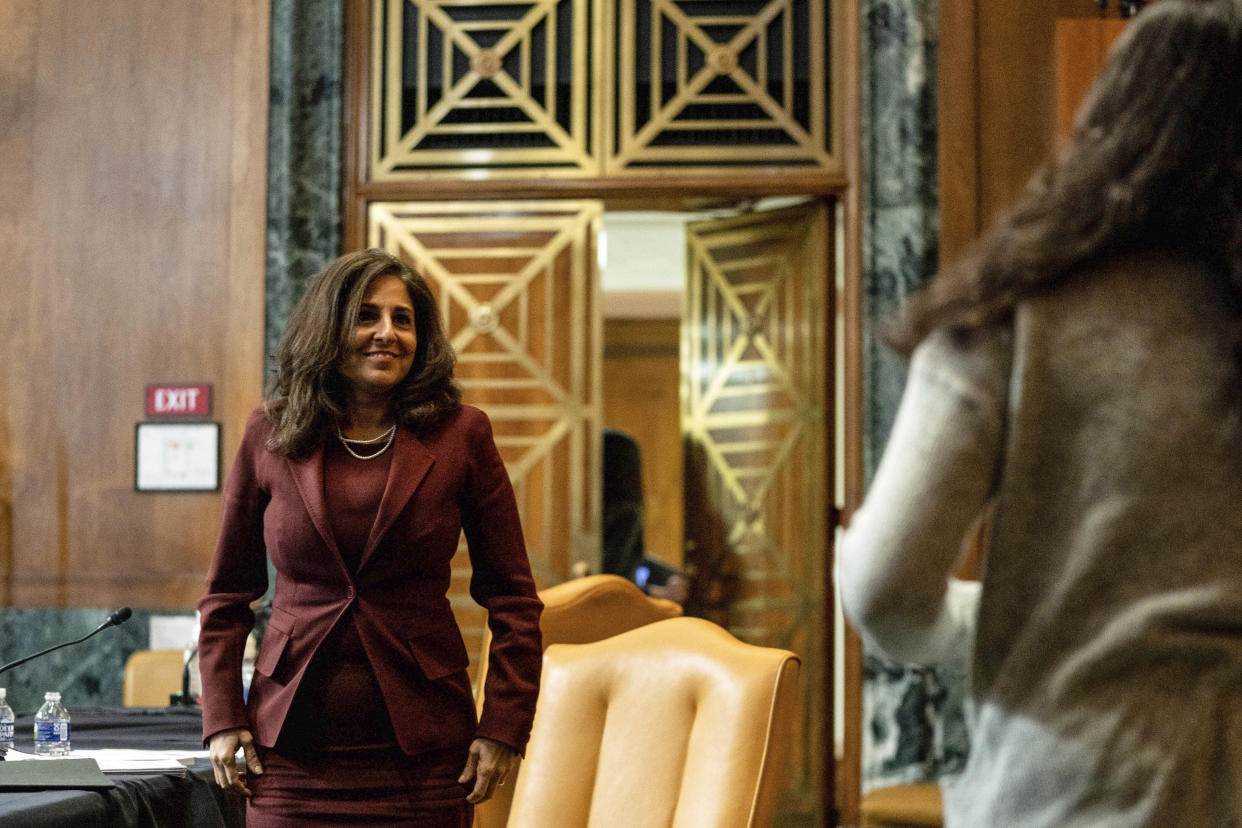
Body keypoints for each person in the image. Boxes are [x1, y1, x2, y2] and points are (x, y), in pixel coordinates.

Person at [839, 1, 1242, 825]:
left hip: (1071, 791)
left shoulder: (1014, 310)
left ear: (1110, 122)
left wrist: (979, 619)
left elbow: (884, 591)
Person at [197, 248, 543, 826]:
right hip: (288, 758)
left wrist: (504, 724)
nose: (387, 333)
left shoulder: (462, 435)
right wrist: (223, 714)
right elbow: (227, 595)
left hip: (428, 759)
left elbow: (513, 599)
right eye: (367, 316)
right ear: (329, 328)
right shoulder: (271, 431)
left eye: (402, 320)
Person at [601, 428, 689, 604]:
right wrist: (653, 592)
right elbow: (615, 571)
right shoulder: (626, 511)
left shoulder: (605, 508)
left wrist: (666, 575)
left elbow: (627, 560)